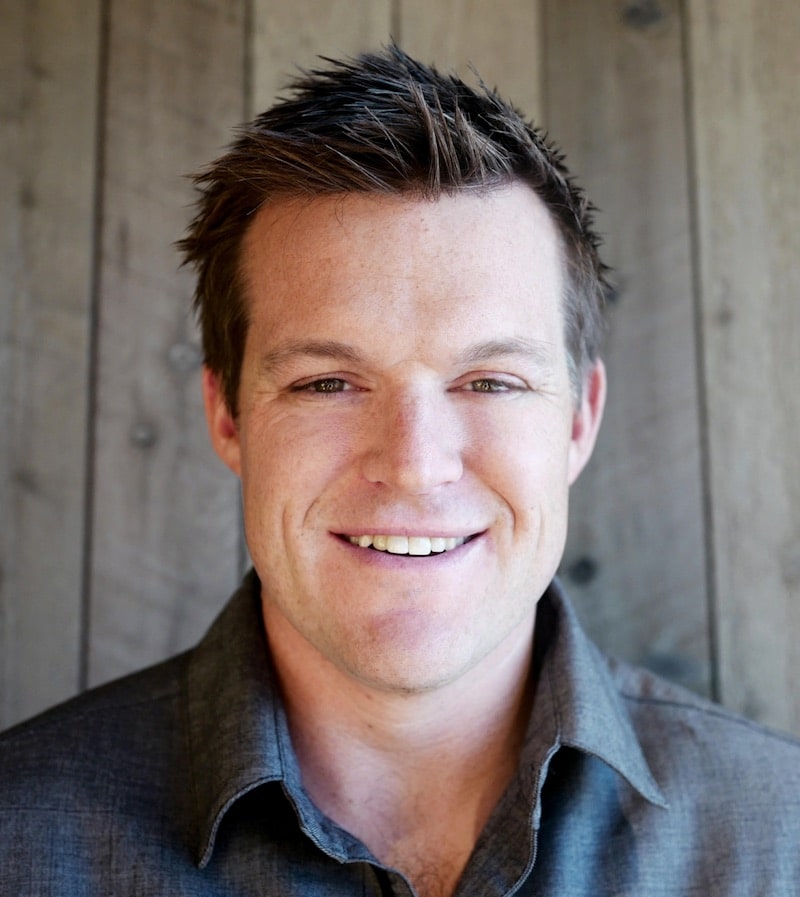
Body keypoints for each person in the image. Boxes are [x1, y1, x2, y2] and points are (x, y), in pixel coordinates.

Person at [0, 45, 798, 897]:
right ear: (227, 413)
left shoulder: (780, 839)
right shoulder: (20, 839)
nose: (415, 466)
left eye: (490, 381)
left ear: (578, 419)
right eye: (327, 382)